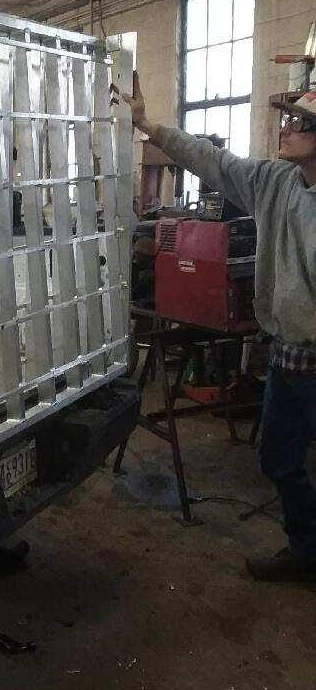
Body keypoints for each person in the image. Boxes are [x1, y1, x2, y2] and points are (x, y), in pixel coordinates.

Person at [123, 73, 316, 582]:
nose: (286, 128)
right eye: (289, 118)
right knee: (277, 457)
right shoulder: (275, 183)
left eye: (300, 123)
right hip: (287, 358)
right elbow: (211, 159)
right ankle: (306, 550)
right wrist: (148, 124)